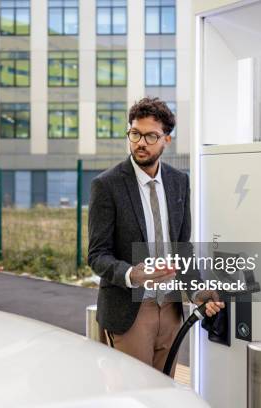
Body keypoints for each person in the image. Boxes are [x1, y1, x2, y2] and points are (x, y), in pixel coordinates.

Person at [87, 97, 224, 377]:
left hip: (172, 309)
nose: (141, 142)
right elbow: (97, 255)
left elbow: (182, 248)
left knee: (164, 394)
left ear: (167, 140)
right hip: (131, 313)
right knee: (133, 395)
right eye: (135, 133)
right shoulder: (107, 185)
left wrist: (197, 291)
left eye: (151, 136)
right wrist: (131, 274)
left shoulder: (179, 182)